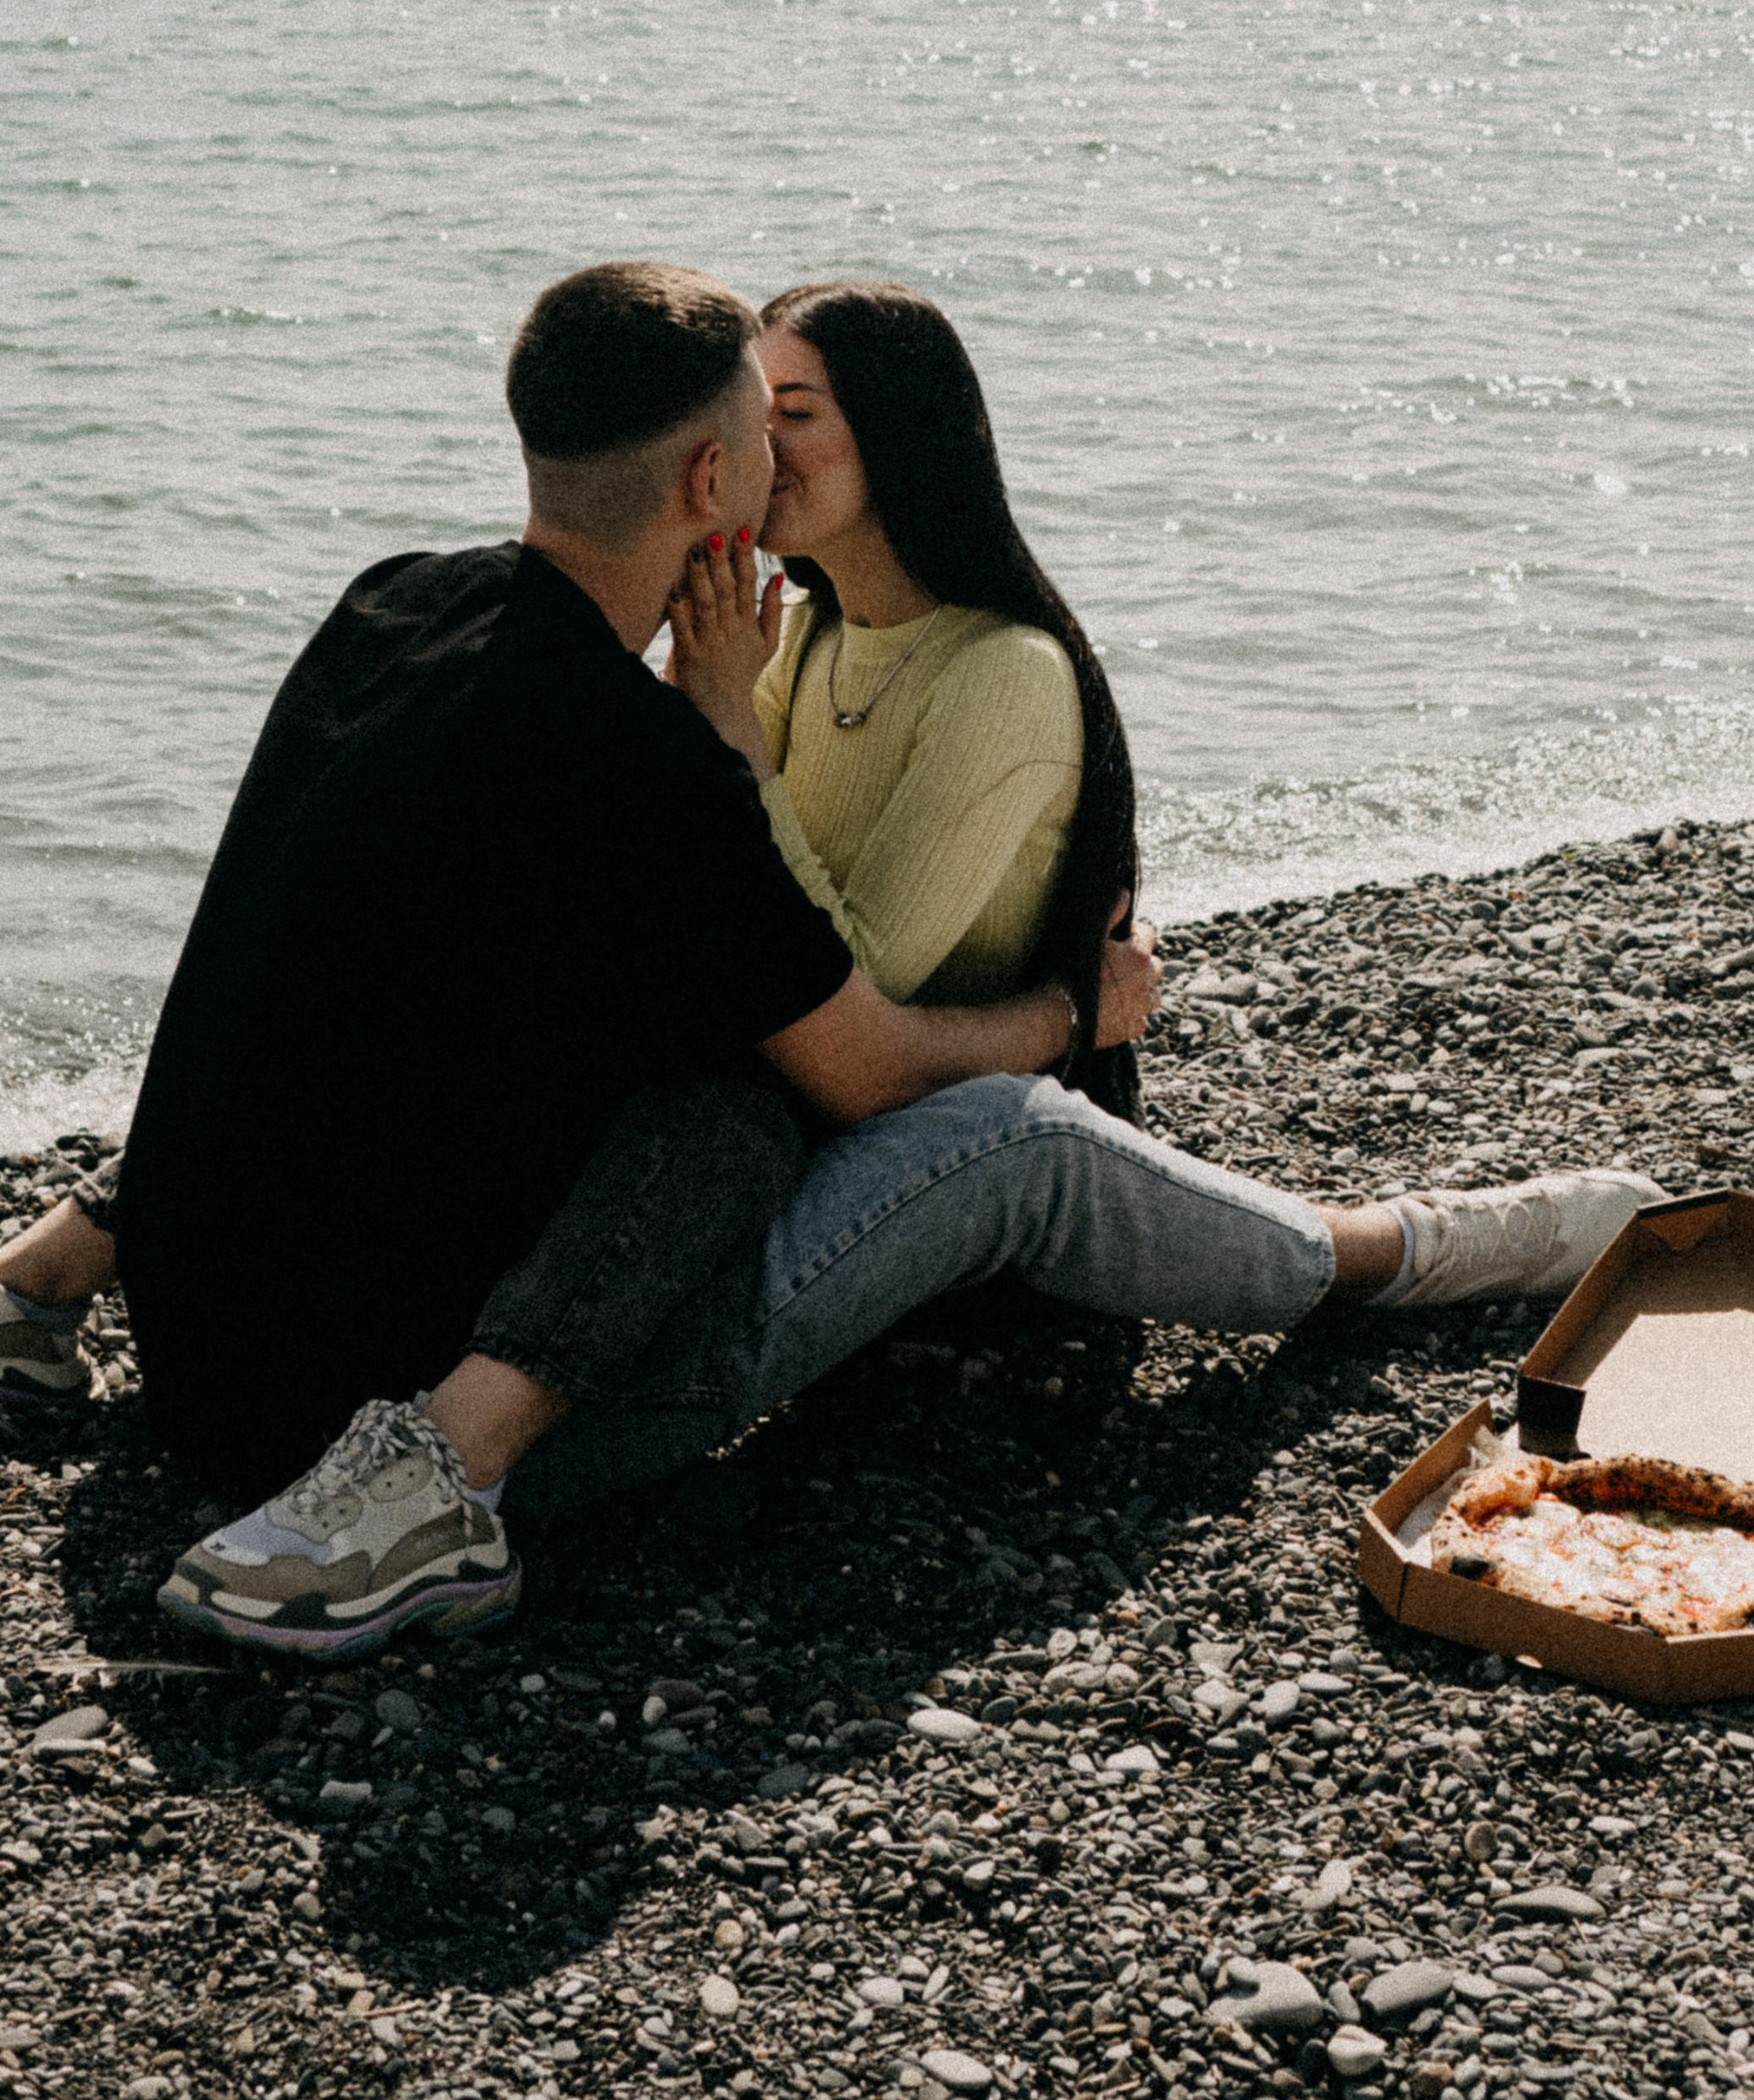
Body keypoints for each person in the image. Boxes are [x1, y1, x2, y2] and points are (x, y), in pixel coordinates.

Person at [0, 262, 1658, 1665]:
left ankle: (53, 1259)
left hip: (197, 1349)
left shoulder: (398, 606)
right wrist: (1072, 1012)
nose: (779, 463)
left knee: (413, 966)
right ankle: (1407, 1255)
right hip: (368, 1407)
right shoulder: (654, 767)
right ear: (712, 486)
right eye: (760, 427)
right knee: (981, 1135)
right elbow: (854, 1070)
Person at [696, 280, 1143, 1116]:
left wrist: (734, 735)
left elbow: (853, 982)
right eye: (750, 420)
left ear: (897, 430)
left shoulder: (1006, 670)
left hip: (947, 1136)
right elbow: (698, 887)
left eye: (795, 415)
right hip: (787, 1110)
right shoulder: (794, 636)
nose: (763, 450)